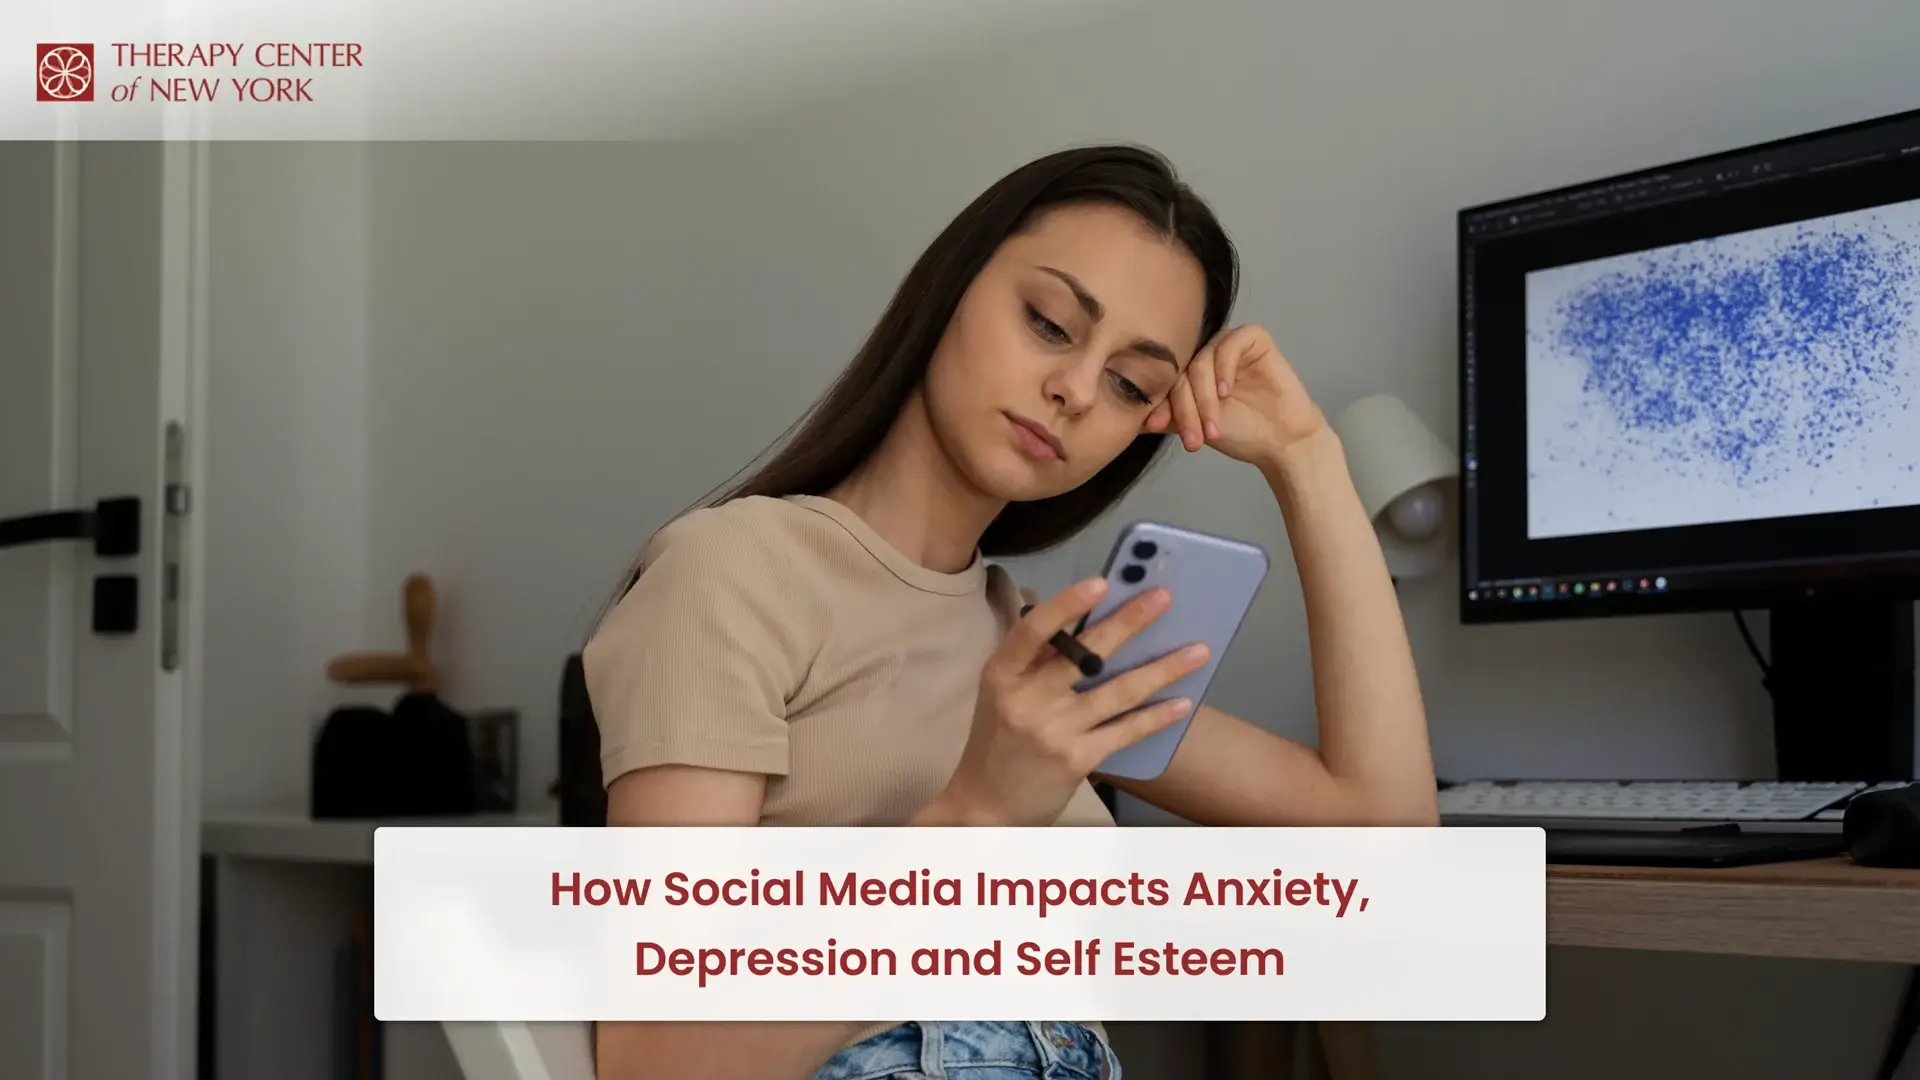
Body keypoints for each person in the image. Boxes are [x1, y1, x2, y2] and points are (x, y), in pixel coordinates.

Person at [583, 144, 1438, 1080]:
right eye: (1049, 322)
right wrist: (981, 810)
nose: (1074, 390)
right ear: (952, 288)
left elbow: (1386, 835)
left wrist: (1307, 460)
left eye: (1132, 386)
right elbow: (657, 1057)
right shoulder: (734, 571)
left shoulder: (1041, 652)